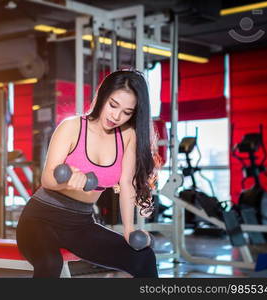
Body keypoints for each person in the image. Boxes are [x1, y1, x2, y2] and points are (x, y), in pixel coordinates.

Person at [16, 70, 160, 278]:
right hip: (39, 219)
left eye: (127, 112)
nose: (116, 116)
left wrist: (129, 229)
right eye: (113, 105)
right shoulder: (72, 127)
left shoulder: (127, 136)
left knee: (143, 258)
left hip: (80, 224)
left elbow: (127, 184)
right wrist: (67, 183)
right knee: (50, 263)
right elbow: (47, 179)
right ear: (102, 96)